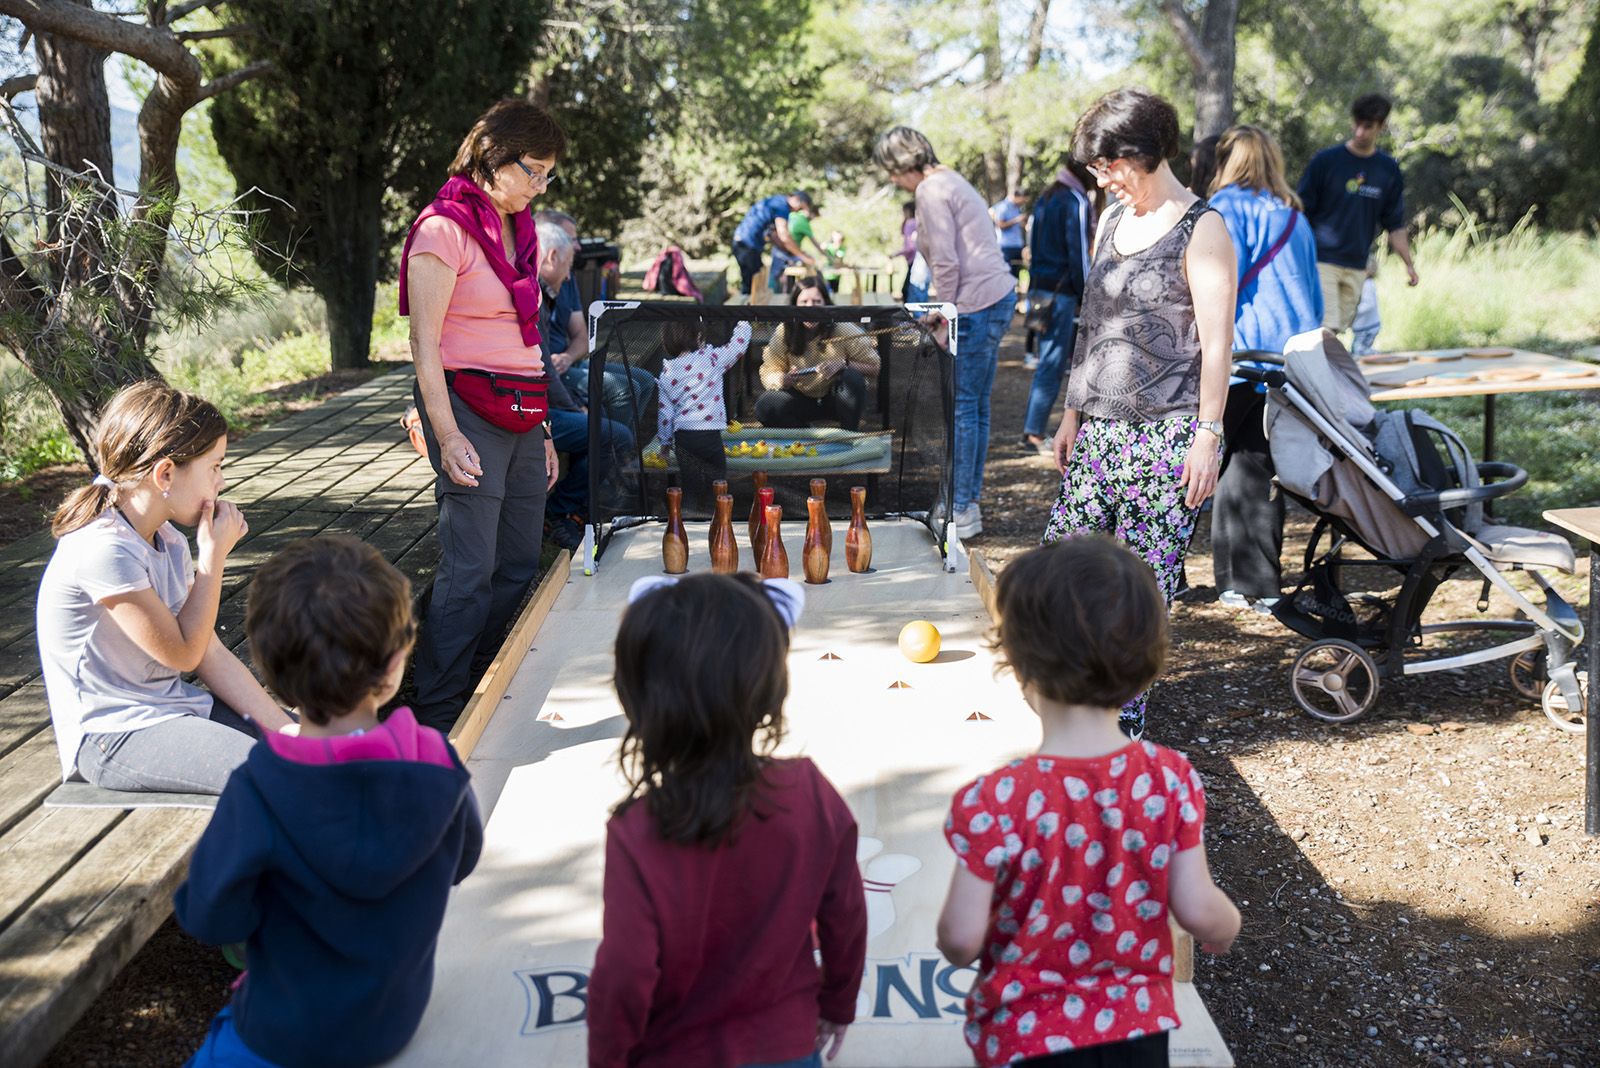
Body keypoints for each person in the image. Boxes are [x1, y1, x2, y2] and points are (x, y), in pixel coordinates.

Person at [175, 536, 482, 1068]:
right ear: (395, 665)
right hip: (391, 1024)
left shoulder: (258, 788)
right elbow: (463, 860)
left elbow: (210, 917)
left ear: (269, 672)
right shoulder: (436, 760)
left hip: (281, 1037)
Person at [936, 537, 1241, 1068]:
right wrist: (1226, 928)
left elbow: (960, 939)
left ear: (1018, 667)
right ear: (1145, 664)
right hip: (1136, 1035)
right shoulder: (1169, 779)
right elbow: (1198, 910)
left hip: (1024, 1039)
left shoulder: (995, 800)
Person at [588, 573, 867, 1068]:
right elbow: (844, 918)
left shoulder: (636, 831)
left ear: (638, 695)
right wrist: (839, 1005)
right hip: (789, 1047)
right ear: (767, 685)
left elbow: (626, 973)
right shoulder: (810, 792)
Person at [1041, 88, 1235, 739]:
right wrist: (1072, 412)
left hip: (1170, 435)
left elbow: (1217, 344)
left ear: (1142, 153)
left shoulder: (1202, 227)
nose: (1102, 179)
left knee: (1138, 594)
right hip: (1099, 432)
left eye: (1107, 165)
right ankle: (1064, 707)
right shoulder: (1107, 219)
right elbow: (1091, 325)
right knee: (1062, 570)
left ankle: (1115, 738)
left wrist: (1208, 435)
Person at [36, 382, 294, 794]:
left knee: (317, 755)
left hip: (171, 710)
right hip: (113, 736)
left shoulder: (167, 540)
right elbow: (184, 653)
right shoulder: (103, 548)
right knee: (281, 780)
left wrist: (287, 729)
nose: (221, 482)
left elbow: (208, 650)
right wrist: (212, 559)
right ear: (166, 473)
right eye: (215, 466)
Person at [398, 98, 564, 731]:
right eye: (534, 170)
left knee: (520, 559)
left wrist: (546, 428)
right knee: (469, 568)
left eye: (549, 174)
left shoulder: (518, 228)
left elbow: (527, 340)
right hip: (467, 407)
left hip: (525, 411)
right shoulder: (441, 229)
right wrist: (445, 434)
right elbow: (424, 343)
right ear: (494, 159)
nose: (540, 186)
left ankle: (483, 682)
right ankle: (438, 712)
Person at [874, 126, 1018, 539]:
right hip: (996, 297)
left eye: (891, 170)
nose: (891, 179)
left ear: (905, 162)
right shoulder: (953, 180)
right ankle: (967, 502)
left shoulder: (931, 190)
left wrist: (941, 311)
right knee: (977, 407)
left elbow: (948, 263)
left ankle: (959, 507)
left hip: (974, 304)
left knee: (963, 407)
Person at [1206, 124, 1324, 612]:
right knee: (1258, 467)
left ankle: (1236, 581)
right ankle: (1257, 582)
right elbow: (1314, 297)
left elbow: (1219, 285)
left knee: (1224, 461)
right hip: (1289, 361)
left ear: (1228, 161)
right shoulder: (1294, 217)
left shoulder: (1225, 210)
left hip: (1241, 357)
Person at [536, 218, 635, 550]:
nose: (570, 271)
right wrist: (573, 408)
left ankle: (589, 493)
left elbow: (571, 346)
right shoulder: (531, 295)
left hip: (547, 395)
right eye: (567, 262)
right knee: (614, 435)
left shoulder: (552, 289)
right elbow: (540, 368)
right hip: (531, 410)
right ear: (550, 256)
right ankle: (561, 511)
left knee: (613, 420)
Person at [1297, 93, 1419, 337]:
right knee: (1325, 329)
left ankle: (1326, 373)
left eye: (1368, 126)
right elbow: (1300, 210)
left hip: (1357, 263)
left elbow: (1394, 223)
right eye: (1358, 124)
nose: (1361, 132)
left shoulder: (1388, 169)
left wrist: (1409, 265)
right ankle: (1323, 375)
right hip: (1322, 259)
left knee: (1337, 329)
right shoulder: (1326, 161)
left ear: (1381, 127)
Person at [538, 209, 659, 439]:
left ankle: (617, 452)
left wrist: (568, 357)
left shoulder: (567, 277)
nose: (579, 246)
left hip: (569, 363)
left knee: (644, 380)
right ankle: (610, 450)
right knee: (625, 389)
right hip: (549, 373)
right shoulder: (537, 284)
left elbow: (582, 337)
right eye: (572, 239)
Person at [1020, 162, 1095, 457]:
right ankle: (1034, 434)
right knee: (1052, 364)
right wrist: (1087, 291)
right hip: (1060, 293)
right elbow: (1078, 252)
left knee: (1047, 363)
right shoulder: (1074, 200)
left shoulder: (1047, 196)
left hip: (1039, 288)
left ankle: (1033, 430)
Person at [756, 277, 882, 431]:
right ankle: (805, 435)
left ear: (826, 304)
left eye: (816, 302)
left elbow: (875, 367)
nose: (811, 308)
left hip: (837, 399)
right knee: (765, 405)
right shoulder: (784, 331)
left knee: (852, 378)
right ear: (794, 305)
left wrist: (845, 364)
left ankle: (848, 434)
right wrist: (783, 379)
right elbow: (768, 371)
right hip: (801, 399)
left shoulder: (844, 328)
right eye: (804, 302)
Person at [658, 317, 754, 512]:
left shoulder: (666, 373)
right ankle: (718, 517)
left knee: (690, 485)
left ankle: (687, 519)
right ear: (699, 337)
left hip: (683, 436)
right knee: (718, 483)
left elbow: (665, 414)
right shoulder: (711, 359)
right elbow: (737, 347)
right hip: (709, 435)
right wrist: (744, 323)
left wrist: (665, 445)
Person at [731, 190, 818, 297]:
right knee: (752, 285)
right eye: (799, 208)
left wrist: (791, 252)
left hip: (747, 245)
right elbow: (784, 236)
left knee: (756, 281)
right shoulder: (782, 206)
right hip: (746, 245)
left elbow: (774, 236)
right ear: (796, 199)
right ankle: (745, 312)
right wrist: (802, 256)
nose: (795, 212)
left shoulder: (776, 202)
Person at [770, 202, 832, 295]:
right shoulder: (803, 222)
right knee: (813, 267)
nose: (812, 220)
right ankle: (825, 292)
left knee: (776, 276)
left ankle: (781, 294)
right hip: (786, 252)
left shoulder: (794, 215)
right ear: (811, 213)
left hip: (780, 250)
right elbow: (815, 243)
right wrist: (828, 256)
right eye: (814, 217)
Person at [990, 188, 1029, 283]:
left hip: (1017, 245)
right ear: (1017, 197)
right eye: (1023, 200)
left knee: (1016, 275)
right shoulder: (1003, 207)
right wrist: (1017, 220)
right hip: (1006, 246)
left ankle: (1015, 295)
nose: (1023, 203)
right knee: (1007, 275)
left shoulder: (1017, 208)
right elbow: (1001, 225)